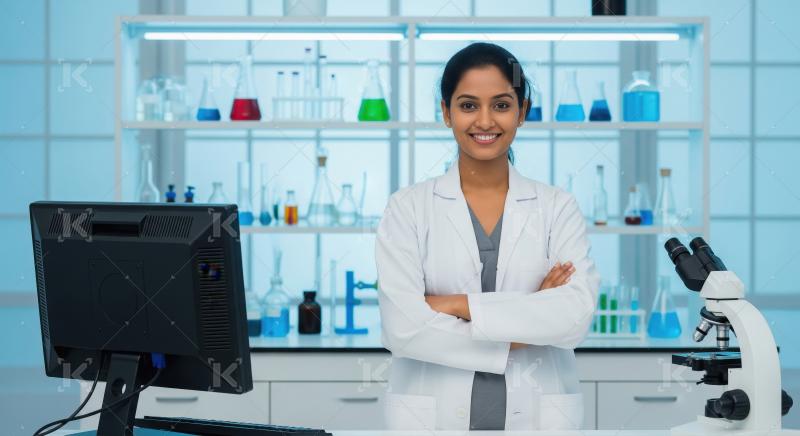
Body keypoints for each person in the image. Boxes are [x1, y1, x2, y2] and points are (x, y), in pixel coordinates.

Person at [375, 42, 600, 431]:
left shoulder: (556, 207)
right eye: (467, 105)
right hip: (433, 418)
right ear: (446, 113)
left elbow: (573, 318)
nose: (484, 121)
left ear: (522, 112)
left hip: (538, 417)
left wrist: (452, 304)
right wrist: (525, 325)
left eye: (500, 104)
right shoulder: (408, 208)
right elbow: (403, 328)